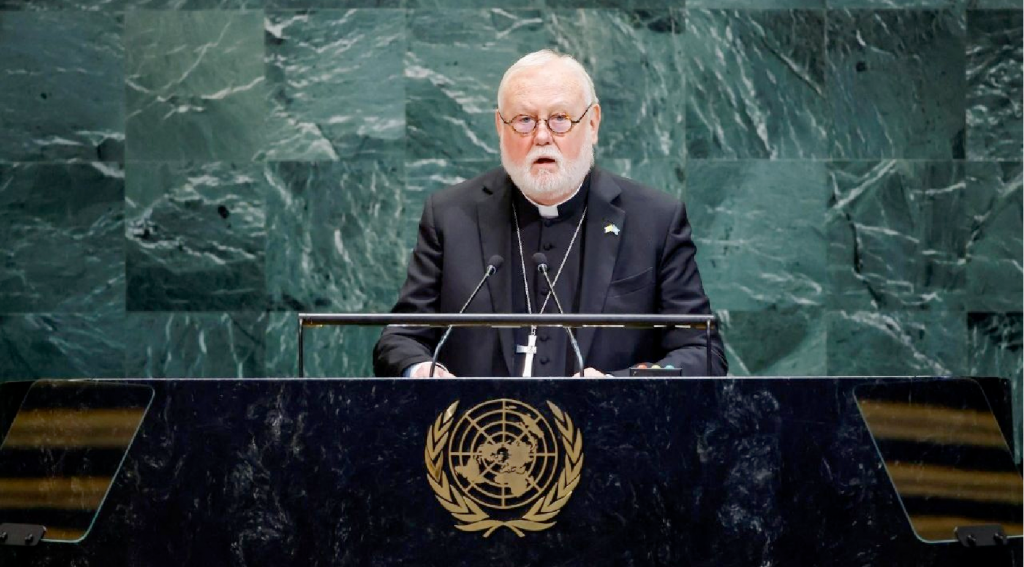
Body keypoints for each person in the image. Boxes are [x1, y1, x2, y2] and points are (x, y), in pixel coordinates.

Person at [373, 49, 727, 378]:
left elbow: (702, 351)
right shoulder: (450, 216)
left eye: (560, 119)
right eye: (524, 120)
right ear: (500, 127)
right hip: (480, 423)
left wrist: (619, 386)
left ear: (592, 124)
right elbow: (400, 339)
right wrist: (421, 370)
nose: (541, 136)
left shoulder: (655, 220)